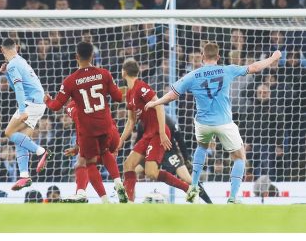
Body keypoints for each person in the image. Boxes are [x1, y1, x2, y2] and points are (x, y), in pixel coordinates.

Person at [145, 42, 282, 203]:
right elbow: (254, 67)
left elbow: (172, 95)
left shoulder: (193, 75)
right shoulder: (227, 70)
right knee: (239, 157)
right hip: (224, 123)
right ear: (218, 57)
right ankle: (232, 198)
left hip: (203, 123)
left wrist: (156, 102)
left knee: (202, 146)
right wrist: (272, 58)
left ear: (202, 57)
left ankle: (194, 186)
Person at [45, 41, 128, 203]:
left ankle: (104, 200)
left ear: (77, 56)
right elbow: (118, 97)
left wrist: (47, 100)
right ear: (92, 55)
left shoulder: (70, 81)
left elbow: (55, 106)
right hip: (106, 125)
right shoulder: (104, 74)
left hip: (88, 130)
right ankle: (119, 184)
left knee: (88, 163)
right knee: (105, 153)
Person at [120, 58, 191, 203]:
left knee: (151, 172)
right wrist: (120, 141)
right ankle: (128, 201)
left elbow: (159, 105)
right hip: (148, 134)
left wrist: (163, 132)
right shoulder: (129, 94)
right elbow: (131, 121)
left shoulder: (141, 87)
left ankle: (189, 189)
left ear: (123, 72)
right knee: (128, 164)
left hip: (158, 132)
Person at [0, 38, 51, 191]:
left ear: (2, 50)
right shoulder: (19, 61)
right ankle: (24, 176)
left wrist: (22, 111)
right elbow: (16, 86)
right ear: (17, 48)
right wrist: (6, 74)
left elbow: (19, 89)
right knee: (21, 140)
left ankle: (41, 152)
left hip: (30, 103)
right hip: (39, 103)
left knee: (8, 132)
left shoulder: (14, 64)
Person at [62, 100, 124, 203]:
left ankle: (86, 194)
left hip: (92, 132)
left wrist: (78, 146)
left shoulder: (72, 105)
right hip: (111, 131)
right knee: (104, 154)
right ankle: (119, 184)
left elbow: (79, 122)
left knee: (82, 162)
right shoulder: (92, 92)